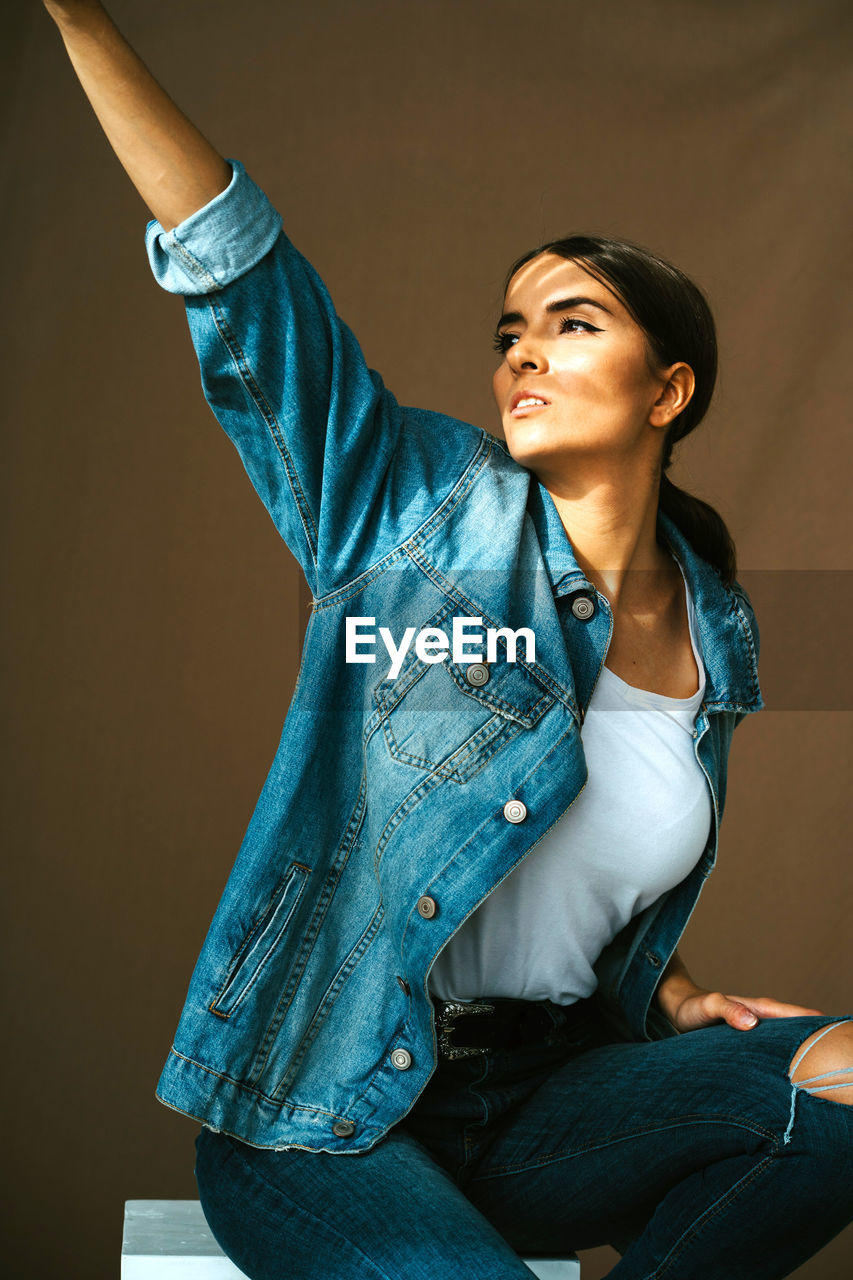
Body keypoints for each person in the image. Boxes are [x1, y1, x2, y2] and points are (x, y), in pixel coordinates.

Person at [43, 3, 853, 1277]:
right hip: (324, 1112)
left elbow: (569, 848)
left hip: (545, 1107)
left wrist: (679, 989)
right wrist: (78, 20)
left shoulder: (722, 625)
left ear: (669, 388)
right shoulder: (415, 510)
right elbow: (244, 282)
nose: (523, 351)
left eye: (571, 323)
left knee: (844, 1091)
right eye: (509, 334)